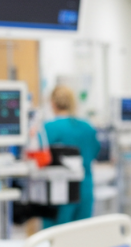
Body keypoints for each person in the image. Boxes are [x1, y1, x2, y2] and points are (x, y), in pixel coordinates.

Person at [41, 86, 101, 228]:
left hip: (58, 191)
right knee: (80, 237)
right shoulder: (87, 127)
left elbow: (38, 158)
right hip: (84, 189)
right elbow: (95, 152)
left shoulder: (47, 128)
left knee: (56, 238)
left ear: (52, 104)